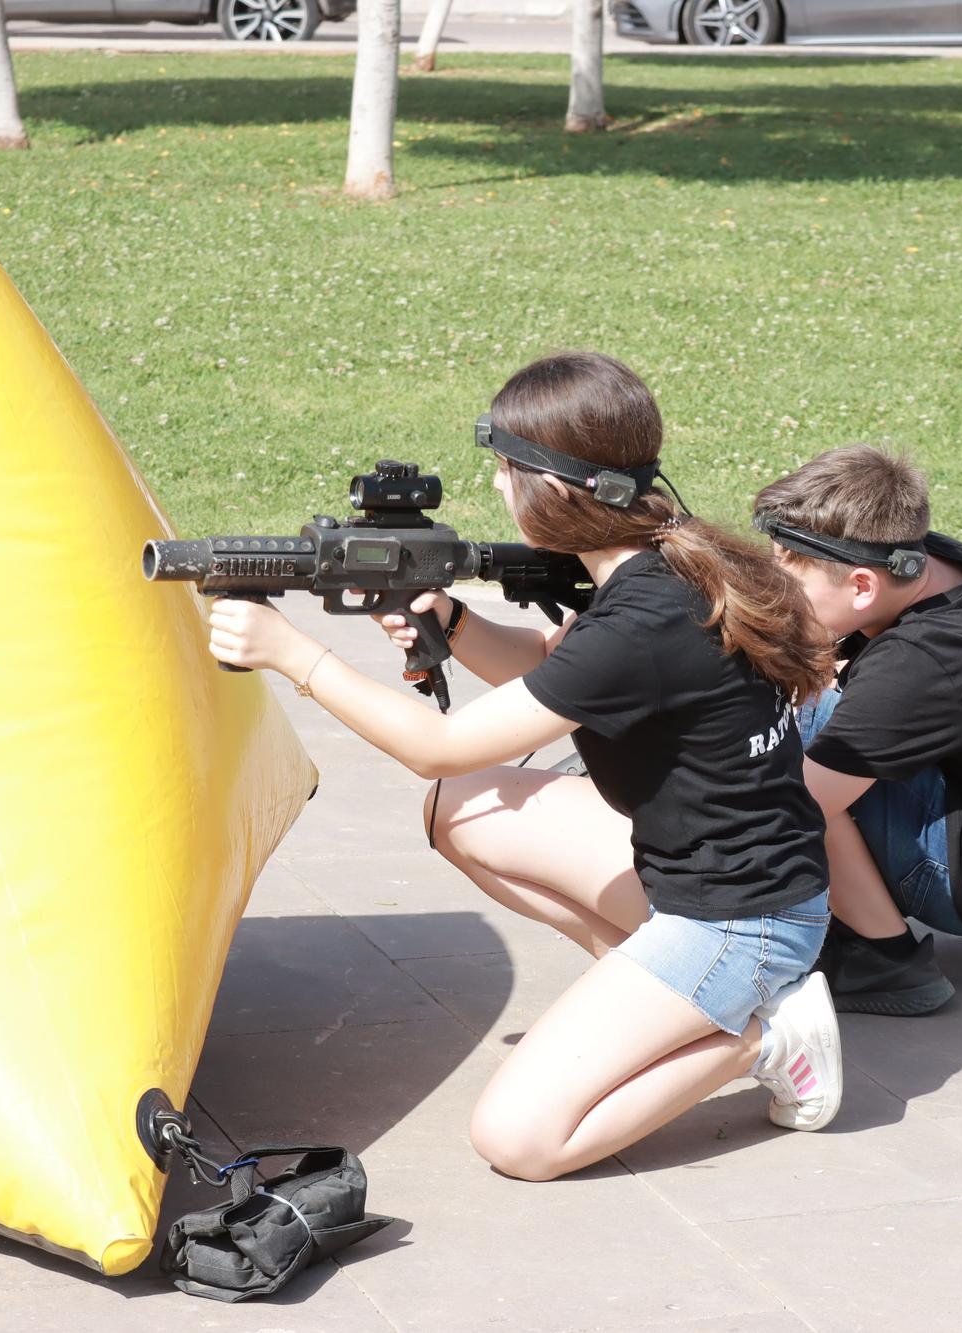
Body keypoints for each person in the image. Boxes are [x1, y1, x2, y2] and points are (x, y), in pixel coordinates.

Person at [206, 352, 846, 1181]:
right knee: (462, 806)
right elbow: (550, 664)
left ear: (556, 488)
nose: (501, 490)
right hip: (736, 874)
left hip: (739, 921)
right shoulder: (667, 563)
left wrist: (293, 654)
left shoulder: (639, 622)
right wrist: (456, 621)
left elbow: (433, 746)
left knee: (518, 1138)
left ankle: (763, 1039)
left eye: (508, 471)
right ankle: (661, 1004)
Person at [750, 445, 962, 1017]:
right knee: (835, 714)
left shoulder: (919, 662)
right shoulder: (937, 562)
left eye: (791, 586)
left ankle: (884, 958)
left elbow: (795, 807)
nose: (775, 597)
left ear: (863, 587)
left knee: (791, 742)